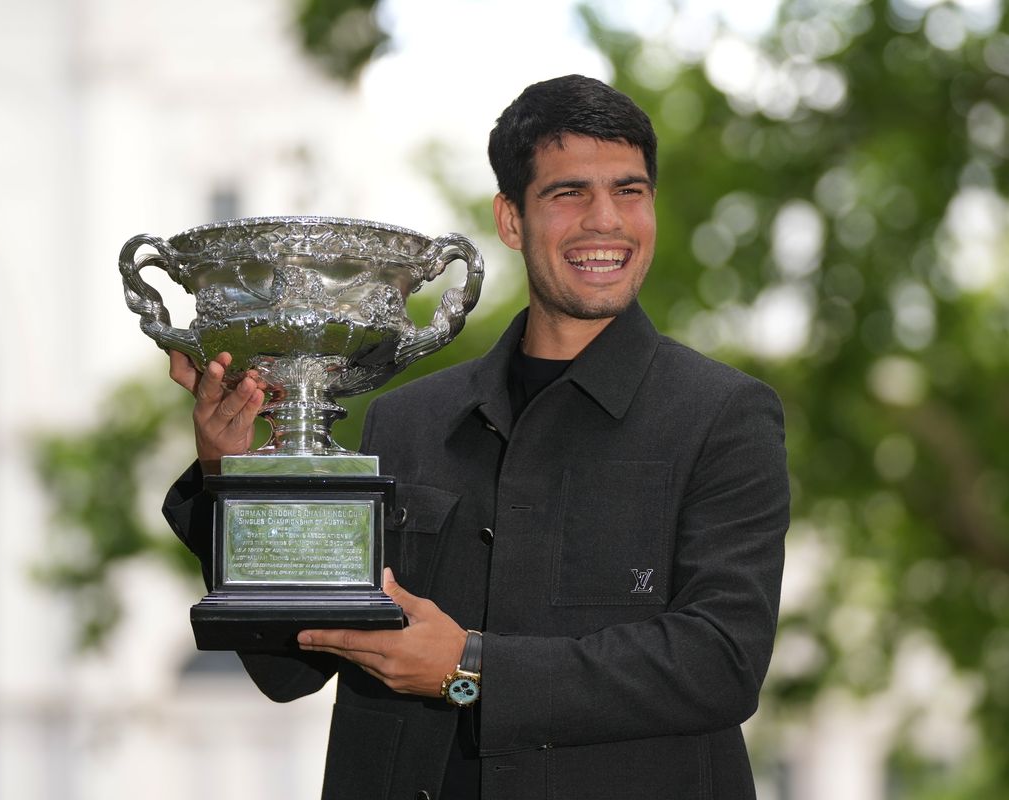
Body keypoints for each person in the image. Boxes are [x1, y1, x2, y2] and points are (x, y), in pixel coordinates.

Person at [163, 74, 789, 800]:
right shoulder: (406, 421)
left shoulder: (724, 415)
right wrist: (234, 479)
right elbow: (288, 668)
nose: (606, 221)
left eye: (630, 191)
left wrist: (470, 666)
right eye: (569, 193)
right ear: (511, 219)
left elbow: (720, 661)